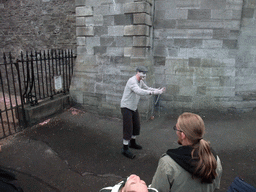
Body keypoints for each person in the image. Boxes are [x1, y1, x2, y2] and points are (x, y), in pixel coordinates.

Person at [150, 112, 223, 192]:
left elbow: (156, 190)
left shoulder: (168, 164)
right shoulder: (214, 159)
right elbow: (215, 187)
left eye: (176, 129)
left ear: (182, 135)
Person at [120, 66, 165, 159]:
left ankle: (132, 143)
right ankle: (124, 149)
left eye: (145, 73)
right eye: (142, 72)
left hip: (133, 107)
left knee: (136, 125)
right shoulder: (132, 81)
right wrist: (153, 93)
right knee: (128, 127)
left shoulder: (140, 81)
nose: (144, 75)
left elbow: (147, 88)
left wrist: (158, 91)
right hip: (126, 107)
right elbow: (139, 91)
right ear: (137, 72)